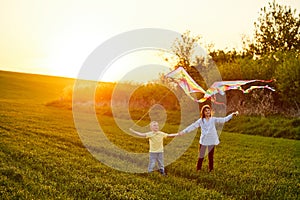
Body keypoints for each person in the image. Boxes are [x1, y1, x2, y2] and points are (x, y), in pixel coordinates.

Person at [179, 105, 238, 172]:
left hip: (211, 140)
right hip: (203, 140)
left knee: (210, 156)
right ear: (203, 112)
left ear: (210, 112)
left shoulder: (213, 119)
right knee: (201, 156)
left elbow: (224, 120)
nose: (207, 112)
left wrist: (232, 115)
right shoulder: (201, 121)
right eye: (206, 111)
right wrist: (183, 132)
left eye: (208, 110)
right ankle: (198, 169)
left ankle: (211, 169)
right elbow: (192, 126)